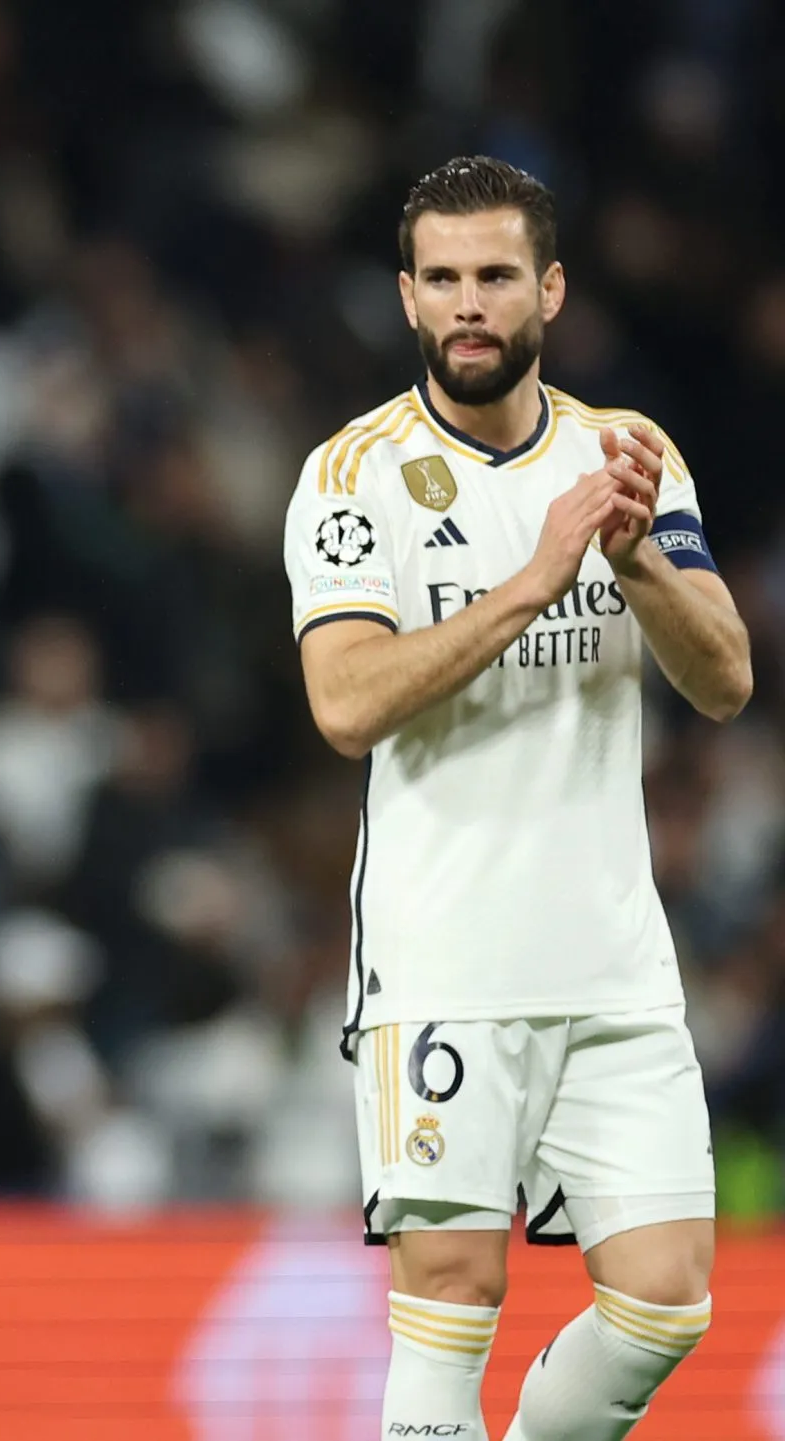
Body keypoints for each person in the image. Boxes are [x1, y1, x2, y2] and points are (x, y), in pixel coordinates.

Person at [284, 158, 753, 1441]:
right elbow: (344, 704)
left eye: (494, 275)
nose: (468, 305)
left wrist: (635, 564)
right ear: (406, 297)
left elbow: (723, 680)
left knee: (665, 1305)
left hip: (612, 961)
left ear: (548, 286)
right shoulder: (350, 478)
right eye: (441, 280)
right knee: (451, 1296)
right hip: (443, 961)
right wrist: (535, 579)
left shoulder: (628, 456)